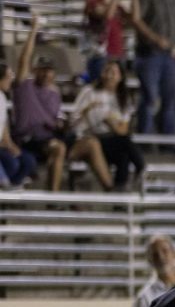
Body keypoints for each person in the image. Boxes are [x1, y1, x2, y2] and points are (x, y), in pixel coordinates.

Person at [13, 16, 113, 192]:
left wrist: (65, 124)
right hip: (32, 140)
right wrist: (34, 29)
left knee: (91, 143)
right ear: (35, 70)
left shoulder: (54, 94)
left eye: (49, 70)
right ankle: (55, 197)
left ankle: (112, 192)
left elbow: (59, 122)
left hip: (54, 138)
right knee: (57, 148)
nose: (46, 73)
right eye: (42, 69)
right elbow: (23, 60)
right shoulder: (25, 87)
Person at [130, 0, 175, 135]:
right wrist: (155, 38)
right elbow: (137, 21)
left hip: (169, 55)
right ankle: (145, 137)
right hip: (149, 54)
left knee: (170, 98)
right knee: (149, 97)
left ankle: (168, 139)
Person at [71, 61, 145, 191]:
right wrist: (88, 109)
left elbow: (123, 130)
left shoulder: (124, 98)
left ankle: (119, 198)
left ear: (120, 77)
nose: (109, 75)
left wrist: (109, 122)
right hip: (90, 138)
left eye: (113, 72)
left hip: (112, 139)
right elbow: (74, 119)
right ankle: (141, 168)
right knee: (125, 144)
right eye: (106, 71)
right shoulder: (89, 91)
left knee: (124, 155)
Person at [83, 0, 128, 83]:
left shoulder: (118, 6)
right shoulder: (92, 3)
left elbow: (133, 20)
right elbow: (107, 16)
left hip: (118, 53)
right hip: (100, 55)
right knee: (99, 88)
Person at [0, 61, 37, 188]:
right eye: (9, 76)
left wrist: (10, 145)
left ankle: (12, 186)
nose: (11, 79)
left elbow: (3, 128)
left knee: (28, 161)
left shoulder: (2, 98)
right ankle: (5, 186)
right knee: (12, 164)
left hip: (2, 146)